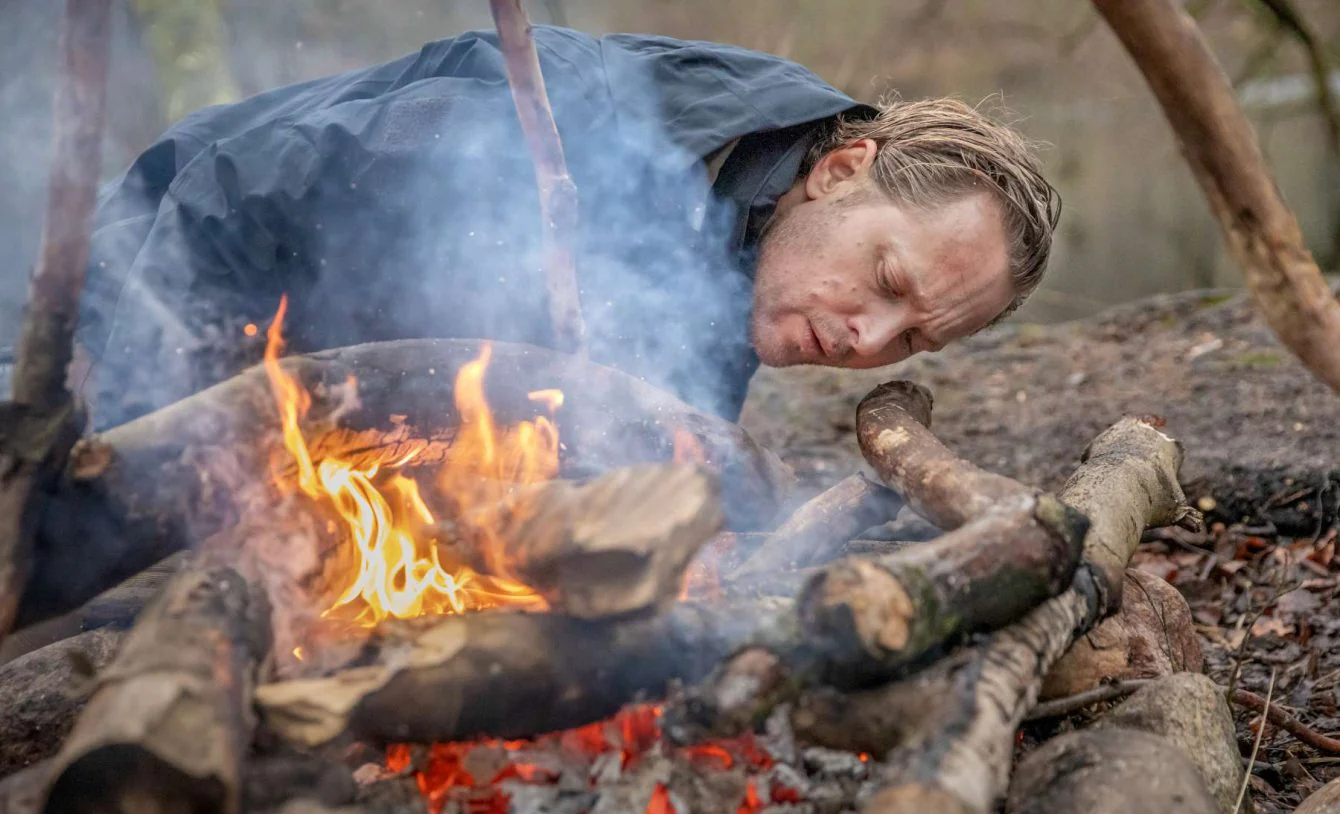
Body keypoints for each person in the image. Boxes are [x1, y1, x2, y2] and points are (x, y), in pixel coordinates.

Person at [75, 25, 1060, 430]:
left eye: (912, 340)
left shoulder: (743, 248)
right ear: (841, 170)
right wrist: (126, 428)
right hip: (94, 321)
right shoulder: (565, 128)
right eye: (887, 282)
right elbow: (222, 192)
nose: (866, 340)